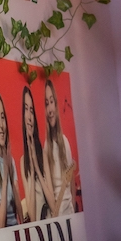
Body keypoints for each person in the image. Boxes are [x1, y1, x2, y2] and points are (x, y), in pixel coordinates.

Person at [0, 91, 22, 227]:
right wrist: (6, 175)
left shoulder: (10, 160)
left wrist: (13, 182)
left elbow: (20, 214)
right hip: (5, 236)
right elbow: (0, 223)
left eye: (3, 118)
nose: (1, 125)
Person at [19, 85, 54, 221]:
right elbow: (32, 217)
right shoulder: (23, 162)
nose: (29, 116)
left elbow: (52, 204)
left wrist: (38, 169)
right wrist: (32, 168)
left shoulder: (43, 155)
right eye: (26, 110)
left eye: (32, 110)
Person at [42, 79, 77, 217]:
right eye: (46, 103)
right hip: (56, 216)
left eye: (52, 102)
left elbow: (72, 181)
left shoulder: (65, 142)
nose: (50, 109)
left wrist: (73, 206)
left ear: (56, 105)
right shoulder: (46, 147)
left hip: (69, 212)